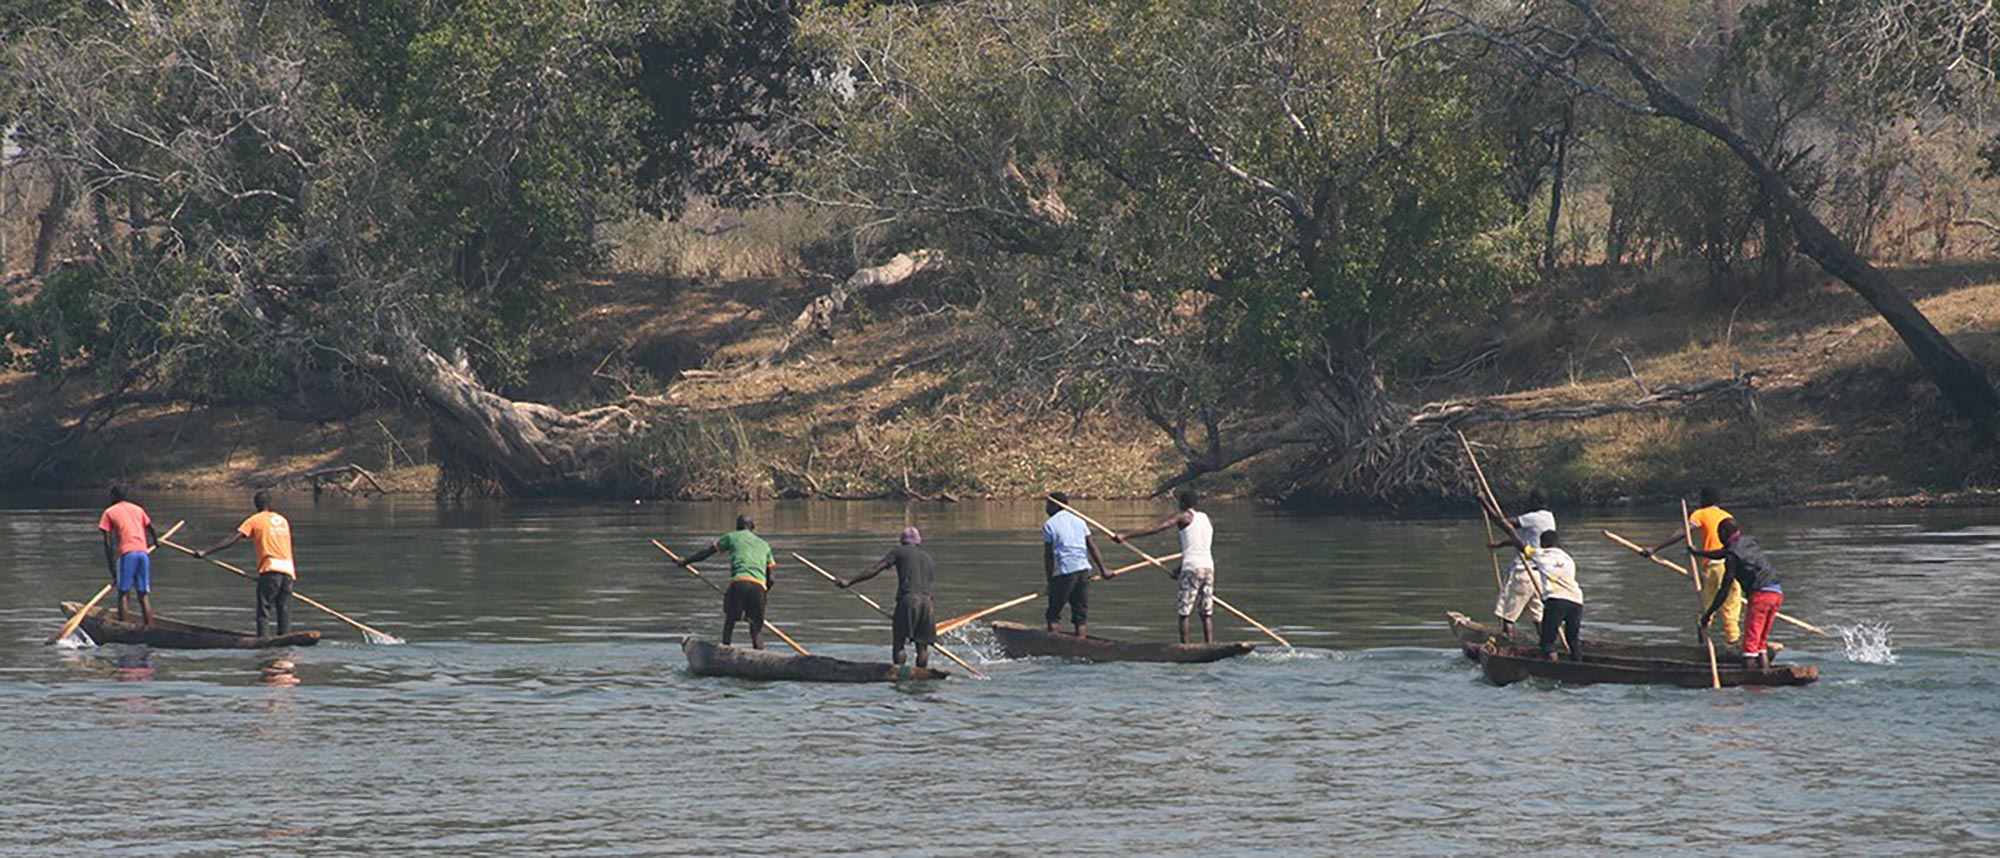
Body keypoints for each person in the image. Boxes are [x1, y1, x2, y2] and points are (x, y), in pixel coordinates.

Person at [1108, 489, 1215, 643]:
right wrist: (1179, 569)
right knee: (1206, 612)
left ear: (1182, 503)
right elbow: (1197, 548)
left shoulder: (1183, 515)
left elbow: (1157, 528)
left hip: (1192, 567)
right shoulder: (1206, 519)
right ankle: (1209, 644)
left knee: (1184, 612)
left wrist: (1126, 535)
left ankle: (1185, 647)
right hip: (1208, 567)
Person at [1642, 487, 1743, 646]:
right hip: (1735, 565)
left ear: (1704, 500)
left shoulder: (1700, 513)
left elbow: (1682, 533)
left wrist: (1654, 548)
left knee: (1706, 609)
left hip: (1714, 567)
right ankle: (1734, 644)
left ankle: (1702, 647)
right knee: (1731, 609)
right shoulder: (1727, 516)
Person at [193, 490, 296, 638]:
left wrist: (206, 552)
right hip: (288, 570)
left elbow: (232, 539)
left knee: (264, 610)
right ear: (270, 504)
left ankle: (263, 642)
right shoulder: (282, 520)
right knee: (283, 609)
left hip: (270, 569)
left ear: (255, 505)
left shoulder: (255, 520)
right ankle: (286, 641)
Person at [1691, 518, 1784, 669]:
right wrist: (1698, 552)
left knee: (1750, 643)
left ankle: (1750, 684)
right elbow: (1723, 553)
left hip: (1760, 595)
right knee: (1760, 641)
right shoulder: (1749, 541)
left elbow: (1724, 590)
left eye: (1719, 534)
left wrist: (1708, 614)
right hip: (1776, 593)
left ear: (1724, 533)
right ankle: (1764, 671)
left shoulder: (1732, 557)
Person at [837, 526, 935, 668]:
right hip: (928, 604)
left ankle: (899, 673)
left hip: (908, 600)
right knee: (922, 647)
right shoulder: (928, 558)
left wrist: (850, 582)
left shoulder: (898, 552)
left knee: (899, 642)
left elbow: (875, 569)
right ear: (918, 541)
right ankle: (922, 674)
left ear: (902, 541)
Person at [678, 515, 777, 650]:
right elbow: (771, 579)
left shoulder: (731, 537)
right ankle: (760, 654)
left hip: (740, 583)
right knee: (756, 628)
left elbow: (706, 553)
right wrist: (762, 593)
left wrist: (685, 561)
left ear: (737, 527)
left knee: (730, 620)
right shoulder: (764, 545)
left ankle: (724, 649)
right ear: (752, 528)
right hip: (759, 587)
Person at [1488, 489, 1556, 638]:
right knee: (1538, 617)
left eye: (1530, 501)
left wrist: (1484, 503)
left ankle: (1509, 649)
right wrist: (1501, 544)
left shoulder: (1533, 517)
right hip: (1541, 574)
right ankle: (1547, 647)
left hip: (1524, 572)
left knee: (1507, 615)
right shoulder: (1549, 518)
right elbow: (1525, 542)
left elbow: (1503, 523)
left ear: (1536, 502)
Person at [1507, 529, 1581, 662]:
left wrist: (1508, 530)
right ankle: (1579, 665)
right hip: (1576, 601)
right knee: (1573, 640)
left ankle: (1553, 667)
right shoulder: (1568, 558)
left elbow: (1520, 545)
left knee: (1547, 642)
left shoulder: (1541, 554)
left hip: (1556, 600)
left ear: (1543, 543)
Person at [1042, 491, 1107, 637]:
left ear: (1054, 505)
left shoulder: (1049, 525)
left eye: (1047, 504)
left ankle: (1053, 644)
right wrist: (1104, 570)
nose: (1046, 508)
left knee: (1053, 613)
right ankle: (1081, 642)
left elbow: (1048, 556)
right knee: (1080, 614)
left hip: (1065, 572)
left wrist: (1050, 582)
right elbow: (1092, 546)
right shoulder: (1080, 521)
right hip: (1084, 571)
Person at [97, 484, 162, 626]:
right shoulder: (138, 509)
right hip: (143, 553)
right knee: (143, 594)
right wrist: (156, 541)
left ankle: (124, 627)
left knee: (123, 594)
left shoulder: (109, 512)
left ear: (113, 496)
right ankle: (149, 626)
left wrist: (112, 569)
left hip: (127, 554)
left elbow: (108, 543)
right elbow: (150, 528)